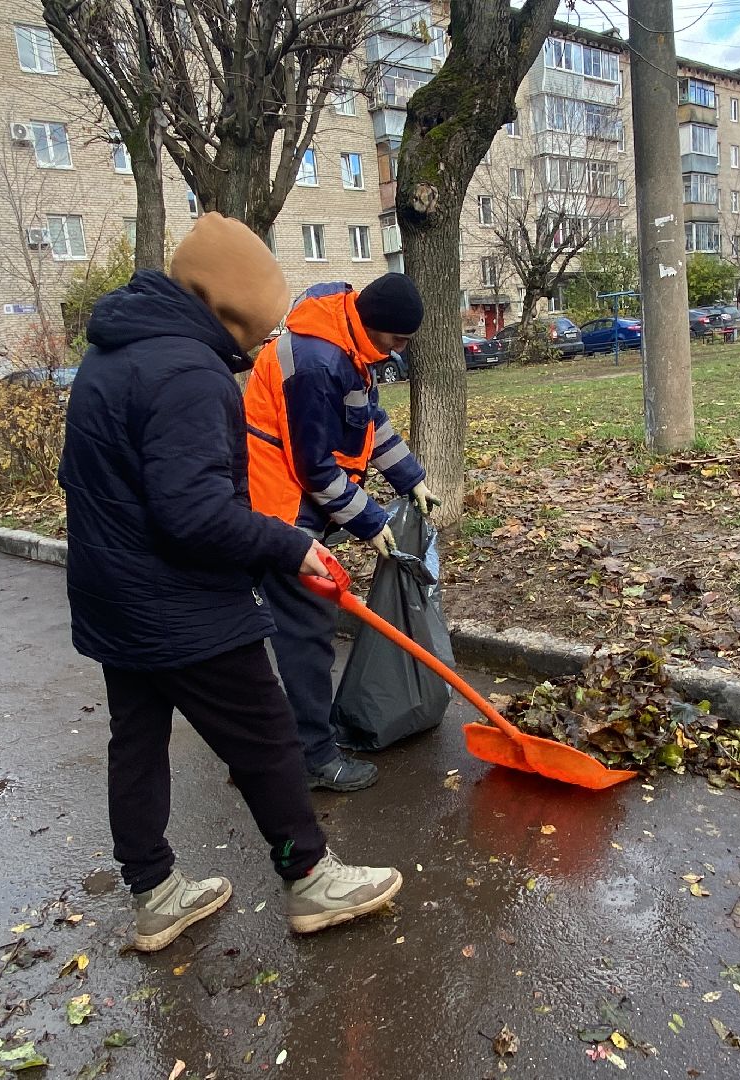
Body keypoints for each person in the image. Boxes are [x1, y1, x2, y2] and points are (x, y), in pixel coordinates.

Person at [58, 213, 402, 951]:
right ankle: (309, 877)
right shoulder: (187, 372)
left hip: (110, 593)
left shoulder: (113, 354)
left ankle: (155, 893)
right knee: (267, 737)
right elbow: (193, 514)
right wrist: (287, 545)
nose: (265, 341)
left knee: (138, 741)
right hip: (177, 601)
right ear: (232, 307)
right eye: (262, 323)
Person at [244, 274, 440, 792]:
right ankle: (314, 756)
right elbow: (314, 467)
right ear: (372, 326)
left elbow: (368, 423)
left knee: (287, 627)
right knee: (306, 629)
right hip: (279, 509)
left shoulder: (349, 348)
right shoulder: (316, 362)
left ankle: (286, 738)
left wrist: (411, 479)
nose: (398, 352)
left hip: (297, 503)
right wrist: (370, 521)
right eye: (396, 341)